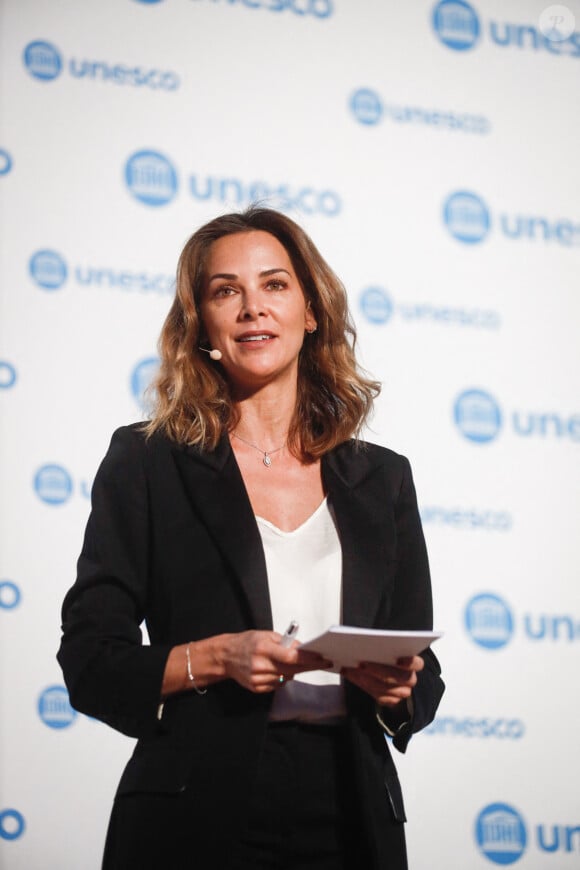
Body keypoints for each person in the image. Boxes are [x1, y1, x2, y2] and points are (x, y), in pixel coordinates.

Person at [57, 206, 444, 870]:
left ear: (311, 310)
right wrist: (214, 659)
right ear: (202, 324)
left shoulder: (383, 479)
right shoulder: (146, 461)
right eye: (224, 290)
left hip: (352, 813)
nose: (251, 309)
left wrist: (398, 685)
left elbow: (423, 676)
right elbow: (92, 662)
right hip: (191, 812)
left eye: (274, 285)